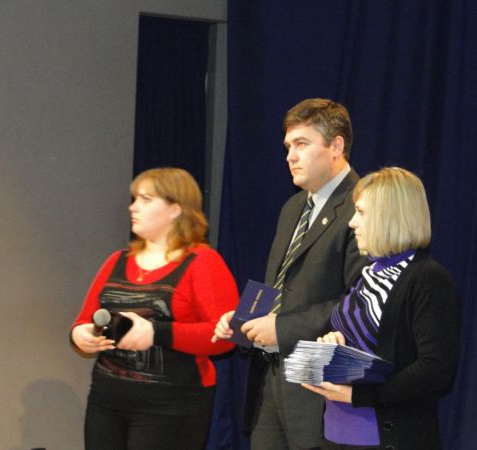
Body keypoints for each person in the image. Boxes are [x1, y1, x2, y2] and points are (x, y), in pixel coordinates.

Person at [213, 98, 367, 449]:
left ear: (336, 146)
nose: (290, 157)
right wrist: (244, 323)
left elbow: (359, 302)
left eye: (301, 144)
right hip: (270, 380)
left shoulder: (362, 206)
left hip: (320, 387)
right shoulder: (294, 207)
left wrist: (281, 329)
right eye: (288, 147)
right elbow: (279, 285)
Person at [71, 167, 239, 450]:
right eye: (135, 199)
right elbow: (83, 320)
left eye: (146, 199)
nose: (133, 207)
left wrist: (157, 333)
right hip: (107, 399)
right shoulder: (117, 260)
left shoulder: (202, 262)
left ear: (175, 209)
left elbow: (225, 336)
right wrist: (81, 335)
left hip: (172, 404)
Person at [301, 167, 461, 450]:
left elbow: (435, 369)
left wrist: (358, 396)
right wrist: (331, 344)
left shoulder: (428, 278)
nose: (352, 222)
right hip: (336, 434)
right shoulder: (367, 272)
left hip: (384, 438)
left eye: (361, 212)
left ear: (391, 216)